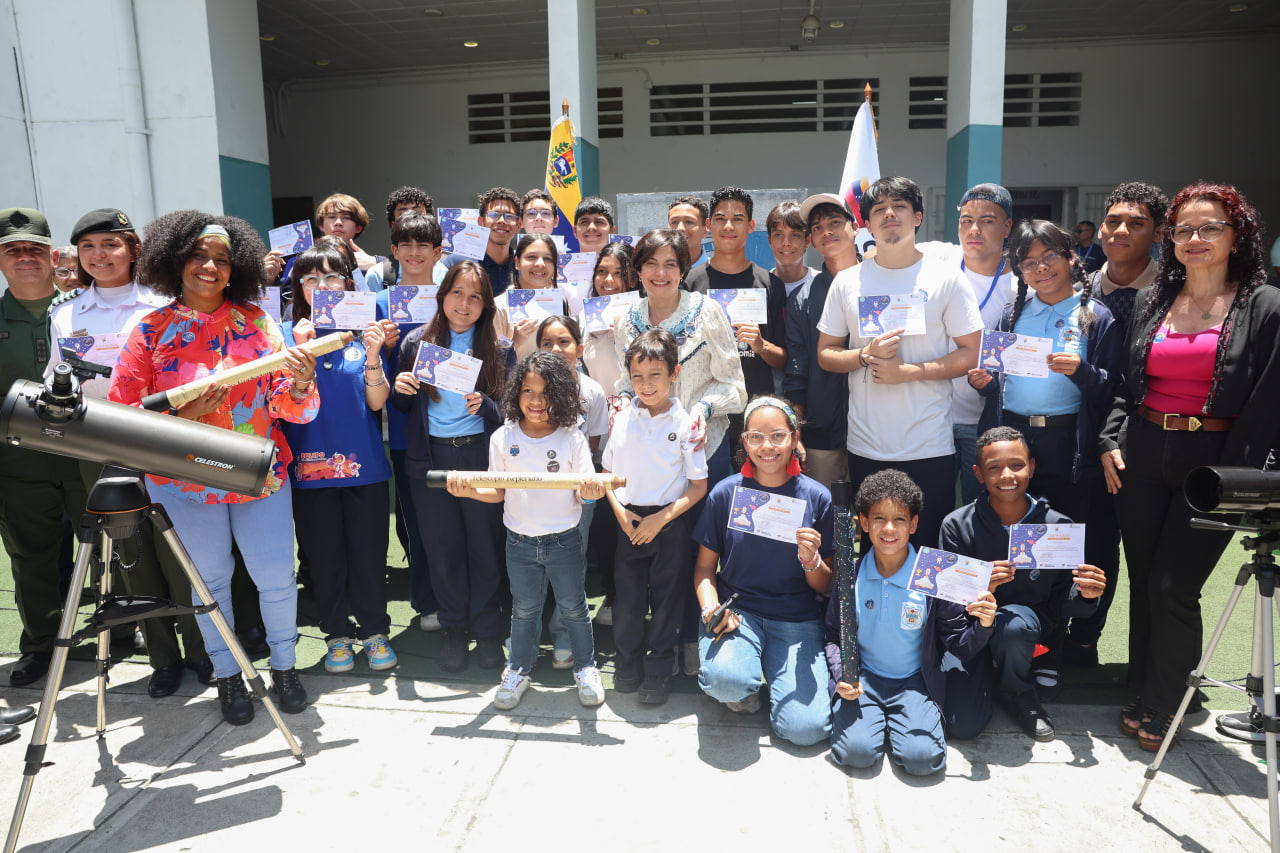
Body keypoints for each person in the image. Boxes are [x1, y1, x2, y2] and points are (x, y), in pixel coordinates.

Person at [109, 210, 319, 725]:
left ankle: (285, 669)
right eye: (199, 255)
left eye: (222, 259)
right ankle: (227, 676)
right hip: (183, 480)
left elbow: (288, 406)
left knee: (275, 576)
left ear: (236, 268)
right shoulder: (149, 331)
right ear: (174, 261)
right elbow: (122, 416)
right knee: (210, 583)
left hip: (258, 473)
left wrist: (298, 383)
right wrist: (186, 415)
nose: (210, 266)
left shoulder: (259, 323)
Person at [1100, 182, 1280, 751]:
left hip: (1214, 465)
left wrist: (1241, 478)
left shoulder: (1264, 305)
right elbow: (1128, 386)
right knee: (1144, 581)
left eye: (1210, 228)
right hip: (1143, 454)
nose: (1194, 238)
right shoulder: (1153, 301)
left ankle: (1167, 702)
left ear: (1237, 235)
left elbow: (1268, 401)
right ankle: (1148, 686)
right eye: (1183, 229)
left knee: (1174, 586)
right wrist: (1110, 438)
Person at [48, 208, 199, 698]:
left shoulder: (164, 304)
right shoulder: (65, 314)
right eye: (88, 247)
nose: (99, 255)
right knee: (131, 554)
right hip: (99, 442)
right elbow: (55, 376)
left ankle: (201, 650)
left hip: (161, 438)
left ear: (133, 250)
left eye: (110, 244)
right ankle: (163, 658)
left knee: (180, 548)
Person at [968, 220, 1123, 693]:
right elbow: (1000, 380)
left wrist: (1082, 372)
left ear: (1071, 257)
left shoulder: (1095, 314)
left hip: (1067, 447)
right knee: (1010, 544)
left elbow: (1115, 388)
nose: (1041, 269)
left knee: (1058, 550)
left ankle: (1051, 650)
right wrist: (984, 381)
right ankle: (1006, 641)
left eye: (1050, 257)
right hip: (1016, 441)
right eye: (1029, 262)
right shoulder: (1013, 313)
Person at [816, 176, 983, 548]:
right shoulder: (847, 282)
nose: (889, 214)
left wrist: (908, 373)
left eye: (900, 207)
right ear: (866, 224)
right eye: (879, 209)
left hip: (930, 445)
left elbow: (971, 352)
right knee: (875, 550)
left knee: (928, 552)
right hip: (866, 445)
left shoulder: (947, 280)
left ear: (917, 217)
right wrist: (864, 356)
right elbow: (826, 353)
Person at [612, 228, 746, 675]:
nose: (661, 272)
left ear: (683, 269)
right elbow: (624, 382)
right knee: (650, 558)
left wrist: (702, 409)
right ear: (637, 270)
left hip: (703, 453)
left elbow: (736, 386)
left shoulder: (707, 312)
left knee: (697, 551)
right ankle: (657, 648)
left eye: (670, 263)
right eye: (651, 263)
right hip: (648, 461)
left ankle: (694, 640)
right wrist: (620, 404)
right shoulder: (626, 319)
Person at [448, 350, 606, 710]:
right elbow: (497, 492)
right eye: (528, 392)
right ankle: (518, 669)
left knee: (574, 607)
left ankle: (586, 667)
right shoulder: (502, 438)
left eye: (546, 393)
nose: (536, 401)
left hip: (564, 541)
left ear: (561, 395)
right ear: (516, 393)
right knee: (524, 610)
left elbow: (582, 494)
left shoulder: (572, 438)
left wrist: (590, 491)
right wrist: (467, 489)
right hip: (518, 542)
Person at [939, 427, 1108, 742]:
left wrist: (1086, 595)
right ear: (978, 473)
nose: (1007, 475)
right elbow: (948, 602)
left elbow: (1063, 602)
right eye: (994, 468)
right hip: (971, 635)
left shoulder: (1058, 526)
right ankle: (991, 672)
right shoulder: (957, 525)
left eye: (1016, 465)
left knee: (1013, 626)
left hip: (1026, 631)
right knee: (962, 725)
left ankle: (1018, 691)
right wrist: (981, 586)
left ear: (1031, 466)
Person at [826, 469, 996, 775]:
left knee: (922, 760)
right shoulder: (851, 575)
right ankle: (872, 726)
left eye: (900, 519)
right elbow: (832, 635)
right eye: (879, 518)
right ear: (864, 523)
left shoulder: (932, 578)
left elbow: (958, 644)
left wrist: (983, 625)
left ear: (914, 524)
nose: (889, 528)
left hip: (914, 683)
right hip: (864, 682)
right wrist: (843, 674)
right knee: (856, 753)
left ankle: (902, 725)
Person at [392, 260, 515, 673]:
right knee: (442, 549)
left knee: (484, 547)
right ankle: (455, 629)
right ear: (442, 295)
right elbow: (402, 406)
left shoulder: (499, 348)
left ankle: (488, 630)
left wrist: (488, 406)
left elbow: (511, 413)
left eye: (475, 297)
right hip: (432, 460)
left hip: (479, 458)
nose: (464, 304)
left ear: (486, 305)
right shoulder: (415, 345)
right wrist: (402, 389)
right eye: (457, 293)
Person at [280, 243, 396, 675]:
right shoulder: (285, 335)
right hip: (309, 470)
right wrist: (303, 350)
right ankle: (336, 635)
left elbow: (377, 402)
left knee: (369, 554)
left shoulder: (363, 332)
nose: (322, 286)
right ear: (299, 288)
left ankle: (374, 630)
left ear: (348, 284)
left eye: (331, 277)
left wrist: (373, 355)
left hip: (364, 466)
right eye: (311, 278)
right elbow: (283, 401)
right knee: (324, 558)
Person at [695, 396, 831, 744]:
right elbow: (705, 569)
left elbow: (826, 586)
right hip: (739, 614)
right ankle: (745, 682)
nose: (766, 446)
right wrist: (711, 609)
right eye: (756, 437)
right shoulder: (726, 493)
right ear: (744, 442)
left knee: (807, 730)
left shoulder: (818, 497)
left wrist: (811, 560)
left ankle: (770, 675)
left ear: (794, 439)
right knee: (726, 682)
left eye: (777, 436)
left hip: (797, 620)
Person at [0, 208, 89, 687]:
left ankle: (121, 631)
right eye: (13, 250)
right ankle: (40, 644)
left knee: (111, 549)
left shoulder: (82, 310)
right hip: (20, 464)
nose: (24, 257)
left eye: (34, 249)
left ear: (53, 257)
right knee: (31, 557)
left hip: (86, 455)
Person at [603, 329, 707, 703]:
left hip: (669, 524)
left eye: (655, 375)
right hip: (628, 522)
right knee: (627, 600)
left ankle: (659, 671)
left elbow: (698, 487)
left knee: (667, 601)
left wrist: (659, 520)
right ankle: (627, 663)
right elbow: (607, 475)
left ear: (674, 373)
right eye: (637, 377)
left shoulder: (686, 424)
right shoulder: (621, 418)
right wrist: (620, 513)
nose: (646, 385)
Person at [376, 212, 441, 631]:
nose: (414, 253)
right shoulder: (380, 303)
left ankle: (465, 597)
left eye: (423, 245)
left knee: (459, 518)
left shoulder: (454, 296)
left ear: (438, 252)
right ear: (394, 251)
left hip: (455, 427)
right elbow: (370, 375)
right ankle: (427, 601)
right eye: (406, 245)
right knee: (417, 522)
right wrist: (385, 349)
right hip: (405, 434)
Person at [683, 187, 786, 439]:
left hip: (756, 417)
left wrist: (761, 346)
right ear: (709, 225)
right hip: (704, 414)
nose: (728, 226)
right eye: (721, 219)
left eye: (737, 219)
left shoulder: (770, 284)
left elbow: (784, 358)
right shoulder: (690, 283)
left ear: (750, 226)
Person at [536, 314, 609, 668]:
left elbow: (592, 446)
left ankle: (563, 634)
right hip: (534, 494)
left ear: (579, 349)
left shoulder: (592, 392)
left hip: (578, 494)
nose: (555, 349)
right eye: (546, 343)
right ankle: (527, 633)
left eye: (563, 342)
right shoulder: (528, 387)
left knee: (572, 564)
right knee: (531, 563)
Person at [577, 241, 639, 624]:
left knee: (632, 510)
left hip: (634, 428)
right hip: (598, 428)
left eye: (619, 273)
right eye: (603, 272)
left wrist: (623, 335)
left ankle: (634, 596)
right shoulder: (585, 317)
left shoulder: (640, 315)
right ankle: (613, 595)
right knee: (603, 517)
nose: (610, 280)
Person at [783, 194, 857, 493]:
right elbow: (797, 369)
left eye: (835, 222)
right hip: (823, 431)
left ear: (855, 227)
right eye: (817, 228)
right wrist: (796, 429)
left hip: (880, 431)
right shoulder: (802, 298)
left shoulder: (880, 285)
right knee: (828, 514)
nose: (826, 231)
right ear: (811, 241)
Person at [950, 184, 1017, 505]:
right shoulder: (938, 267)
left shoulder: (1022, 287)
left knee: (979, 511)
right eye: (966, 220)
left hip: (986, 424)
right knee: (930, 510)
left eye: (987, 221)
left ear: (1007, 227)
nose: (974, 229)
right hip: (932, 419)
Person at [1091, 182, 1168, 333]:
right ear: (1101, 230)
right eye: (1113, 222)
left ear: (1158, 234)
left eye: (1136, 223)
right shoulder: (1081, 292)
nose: (1121, 231)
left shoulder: (1177, 293)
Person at [440, 187, 519, 297]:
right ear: (481, 222)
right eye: (494, 215)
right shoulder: (454, 263)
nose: (501, 221)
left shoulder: (525, 264)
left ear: (519, 225)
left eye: (509, 216)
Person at [495, 234, 564, 361]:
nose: (540, 264)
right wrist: (513, 341)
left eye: (547, 258)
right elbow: (492, 359)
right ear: (517, 263)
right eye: (531, 257)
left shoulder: (562, 303)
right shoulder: (500, 306)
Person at [364, 185, 434, 292]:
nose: (411, 217)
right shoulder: (377, 275)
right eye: (403, 213)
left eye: (417, 212)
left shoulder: (447, 271)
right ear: (393, 224)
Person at [315, 192, 378, 272]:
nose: (338, 222)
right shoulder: (307, 261)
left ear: (358, 227)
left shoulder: (372, 265)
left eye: (346, 218)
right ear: (321, 225)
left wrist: (375, 262)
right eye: (332, 217)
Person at [667, 195, 710, 270]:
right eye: (674, 222)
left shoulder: (718, 273)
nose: (680, 228)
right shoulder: (656, 273)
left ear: (705, 230)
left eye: (689, 222)